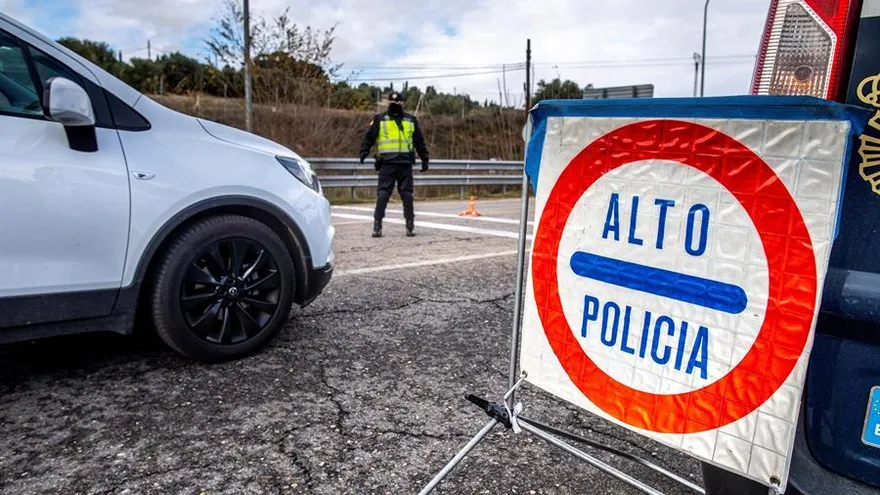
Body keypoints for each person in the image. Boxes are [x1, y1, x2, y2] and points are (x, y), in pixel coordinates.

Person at [360, 92, 429, 237]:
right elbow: (419, 141)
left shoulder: (380, 119)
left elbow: (369, 137)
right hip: (403, 163)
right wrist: (424, 159)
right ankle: (409, 226)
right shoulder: (410, 119)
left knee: (384, 193)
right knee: (406, 194)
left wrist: (364, 151)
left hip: (388, 163)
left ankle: (377, 226)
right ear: (403, 103)